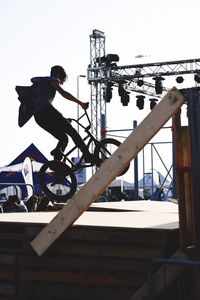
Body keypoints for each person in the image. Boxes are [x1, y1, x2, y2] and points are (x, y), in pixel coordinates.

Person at [18, 65, 99, 163]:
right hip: (46, 111)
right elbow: (63, 93)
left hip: (39, 118)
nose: (62, 81)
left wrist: (64, 120)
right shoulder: (53, 80)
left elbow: (53, 117)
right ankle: (87, 156)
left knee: (63, 138)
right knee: (72, 132)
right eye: (62, 77)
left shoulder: (41, 84)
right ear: (58, 74)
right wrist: (81, 103)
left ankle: (57, 165)